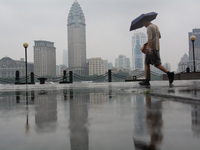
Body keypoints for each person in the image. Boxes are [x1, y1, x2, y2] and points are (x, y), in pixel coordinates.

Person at [139, 19, 174, 85]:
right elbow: (159, 36)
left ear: (145, 21)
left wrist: (149, 48)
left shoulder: (149, 27)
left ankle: (147, 80)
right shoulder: (156, 26)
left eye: (143, 24)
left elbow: (149, 38)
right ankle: (169, 74)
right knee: (154, 63)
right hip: (156, 47)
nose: (143, 25)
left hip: (151, 48)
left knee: (148, 63)